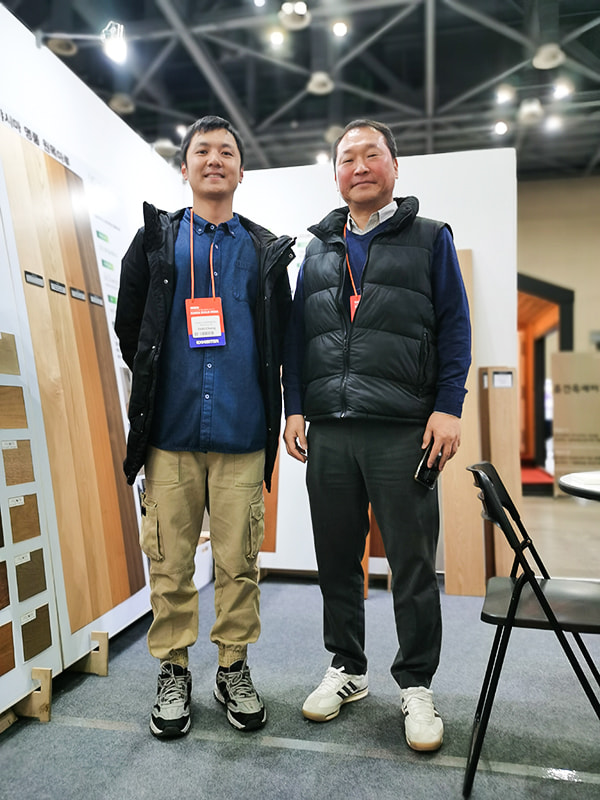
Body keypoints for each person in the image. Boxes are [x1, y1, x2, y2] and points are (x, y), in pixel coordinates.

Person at [282, 119, 471, 752]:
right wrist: (295, 407)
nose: (359, 166)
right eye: (347, 158)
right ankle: (347, 667)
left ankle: (416, 682)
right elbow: (297, 338)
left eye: (371, 155)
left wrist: (448, 407)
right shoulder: (318, 249)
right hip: (330, 429)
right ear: (336, 174)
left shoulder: (430, 238)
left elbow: (455, 326)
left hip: (401, 429)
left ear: (394, 166)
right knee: (337, 558)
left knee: (412, 564)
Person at [115, 115, 294, 738]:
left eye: (226, 152)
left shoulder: (265, 253)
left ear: (241, 170)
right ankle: (173, 670)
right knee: (169, 563)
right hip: (170, 435)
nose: (214, 159)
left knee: (238, 563)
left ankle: (232, 667)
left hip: (242, 434)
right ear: (186, 166)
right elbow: (130, 327)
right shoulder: (155, 241)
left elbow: (282, 340)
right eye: (202, 151)